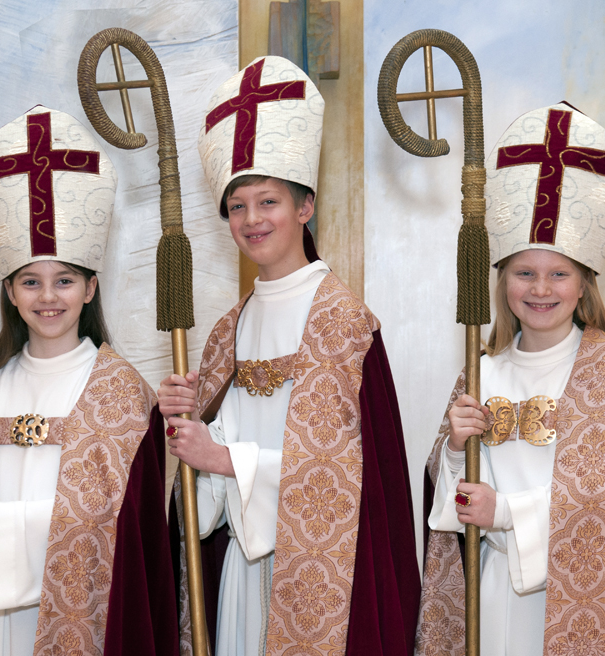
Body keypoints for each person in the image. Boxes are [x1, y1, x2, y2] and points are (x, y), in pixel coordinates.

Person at [158, 56, 421, 655]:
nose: (252, 220)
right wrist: (182, 427)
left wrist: (226, 460)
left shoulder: (345, 325)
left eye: (268, 202)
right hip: (239, 570)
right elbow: (199, 491)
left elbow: (352, 484)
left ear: (304, 207)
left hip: (318, 576)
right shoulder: (228, 330)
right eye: (237, 206)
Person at [415, 103, 605, 656]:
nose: (540, 289)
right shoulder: (481, 371)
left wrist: (508, 512)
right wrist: (453, 449)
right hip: (492, 595)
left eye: (558, 273)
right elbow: (448, 500)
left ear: (584, 283)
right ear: (503, 281)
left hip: (585, 598)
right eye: (525, 272)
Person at [0, 106, 178, 656]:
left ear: (91, 287)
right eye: (30, 281)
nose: (48, 297)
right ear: (9, 291)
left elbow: (116, 530)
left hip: (87, 620)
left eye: (64, 280)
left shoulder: (120, 393)